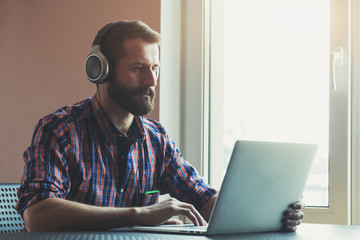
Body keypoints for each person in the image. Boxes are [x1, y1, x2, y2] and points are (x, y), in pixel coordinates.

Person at [16, 20, 304, 232]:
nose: (151, 82)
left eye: (154, 68)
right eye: (138, 68)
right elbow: (38, 215)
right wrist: (139, 213)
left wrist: (269, 213)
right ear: (99, 70)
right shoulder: (59, 130)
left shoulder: (156, 139)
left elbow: (204, 200)